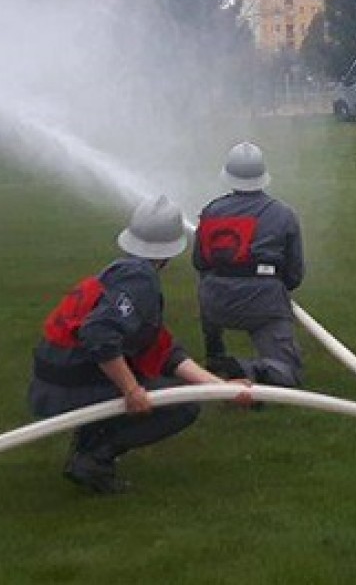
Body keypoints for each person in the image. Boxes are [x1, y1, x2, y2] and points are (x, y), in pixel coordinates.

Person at [28, 194, 250, 494]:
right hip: (66, 386)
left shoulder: (122, 272)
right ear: (171, 250)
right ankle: (93, 458)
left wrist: (220, 389)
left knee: (151, 378)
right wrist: (131, 390)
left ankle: (89, 445)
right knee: (182, 406)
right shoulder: (140, 282)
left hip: (53, 380)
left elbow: (164, 350)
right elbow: (99, 334)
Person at [192, 141, 305, 388]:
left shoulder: (210, 211)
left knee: (205, 281)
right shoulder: (284, 214)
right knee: (288, 373)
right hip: (264, 306)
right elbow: (295, 275)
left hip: (215, 305)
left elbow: (199, 263)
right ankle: (246, 368)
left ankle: (215, 354)